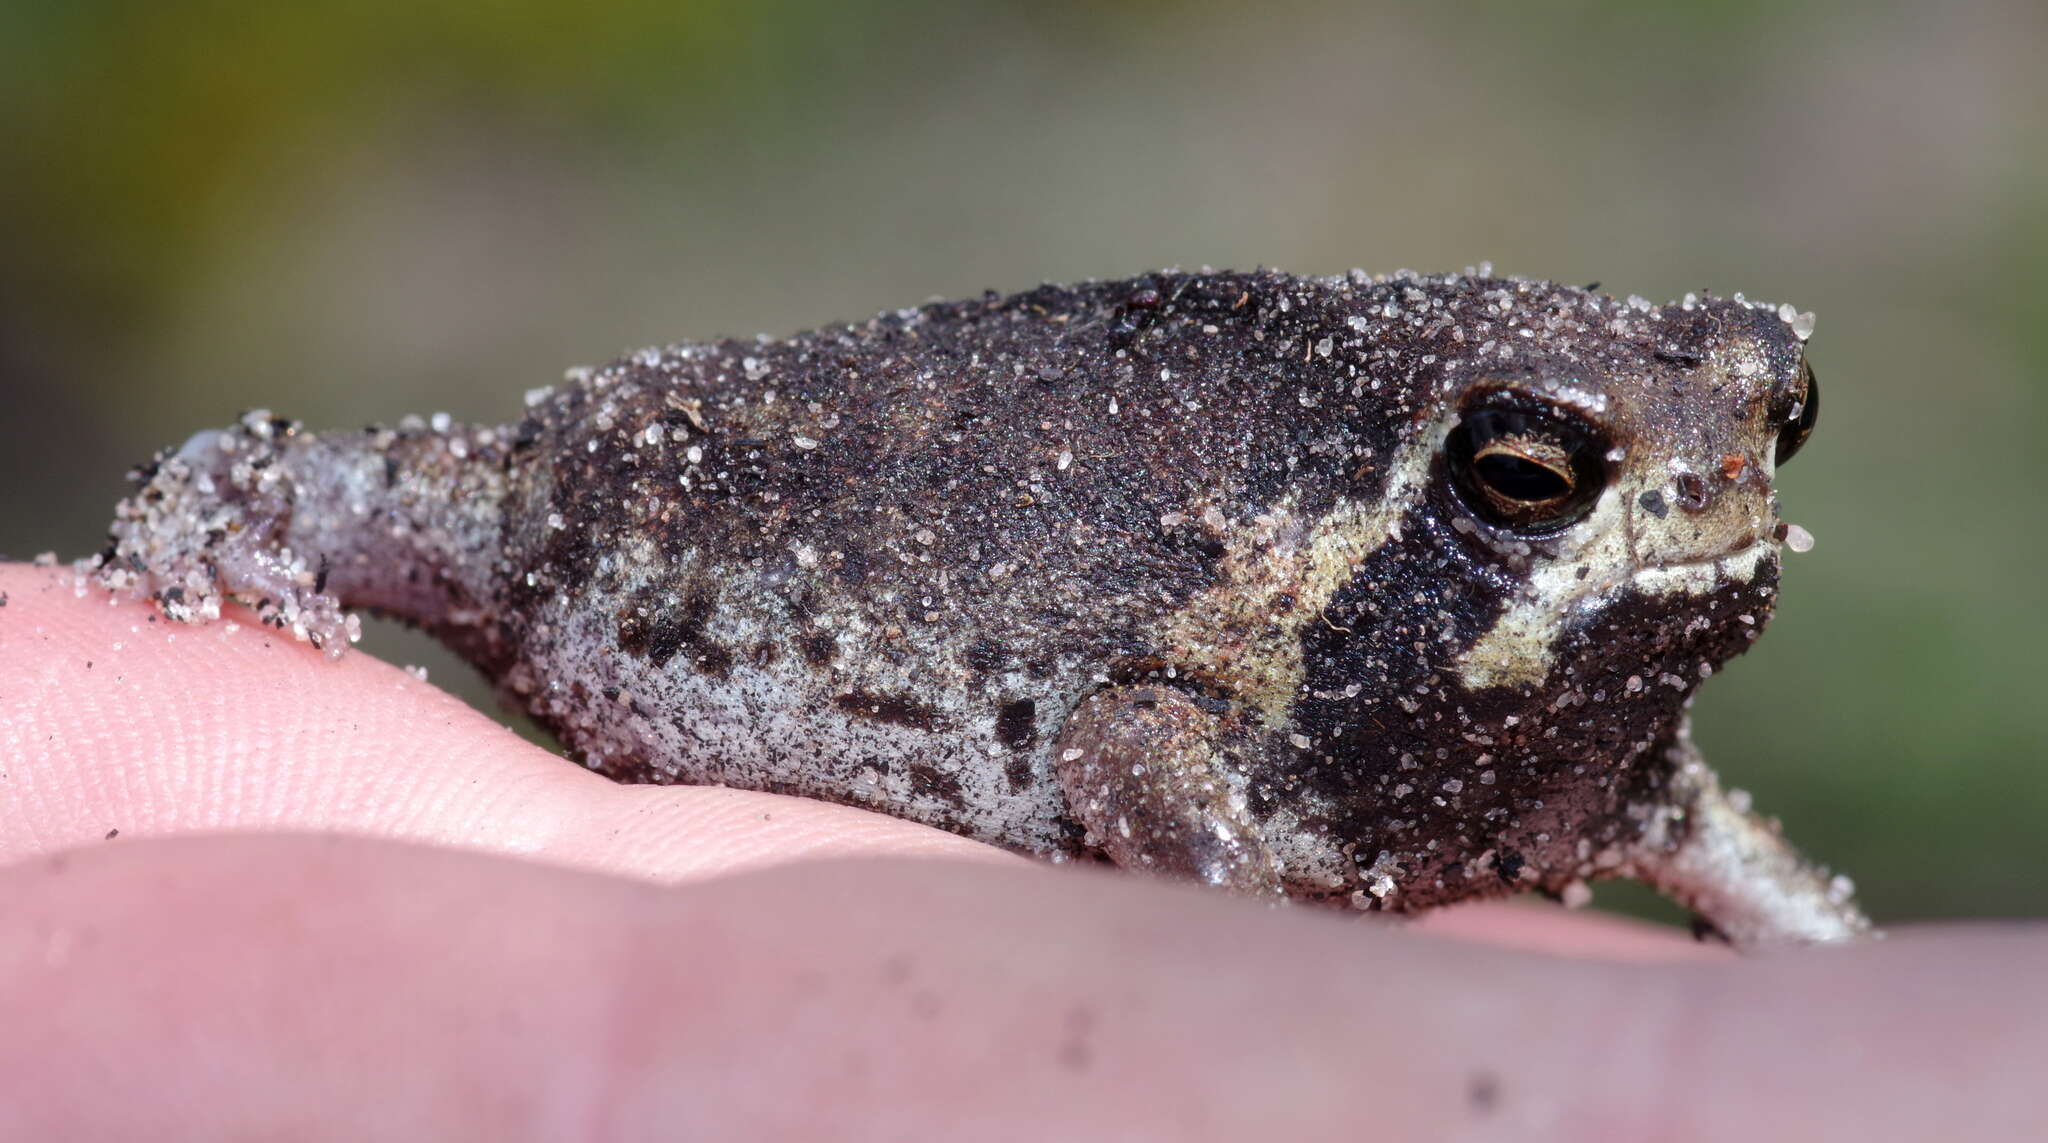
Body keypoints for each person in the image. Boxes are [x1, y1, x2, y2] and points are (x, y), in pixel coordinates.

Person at [0, 563, 2037, 1138]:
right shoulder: (1275, 655)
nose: (1715, 511)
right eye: (1542, 484)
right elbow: (1146, 737)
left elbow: (1813, 953)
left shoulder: (1636, 770)